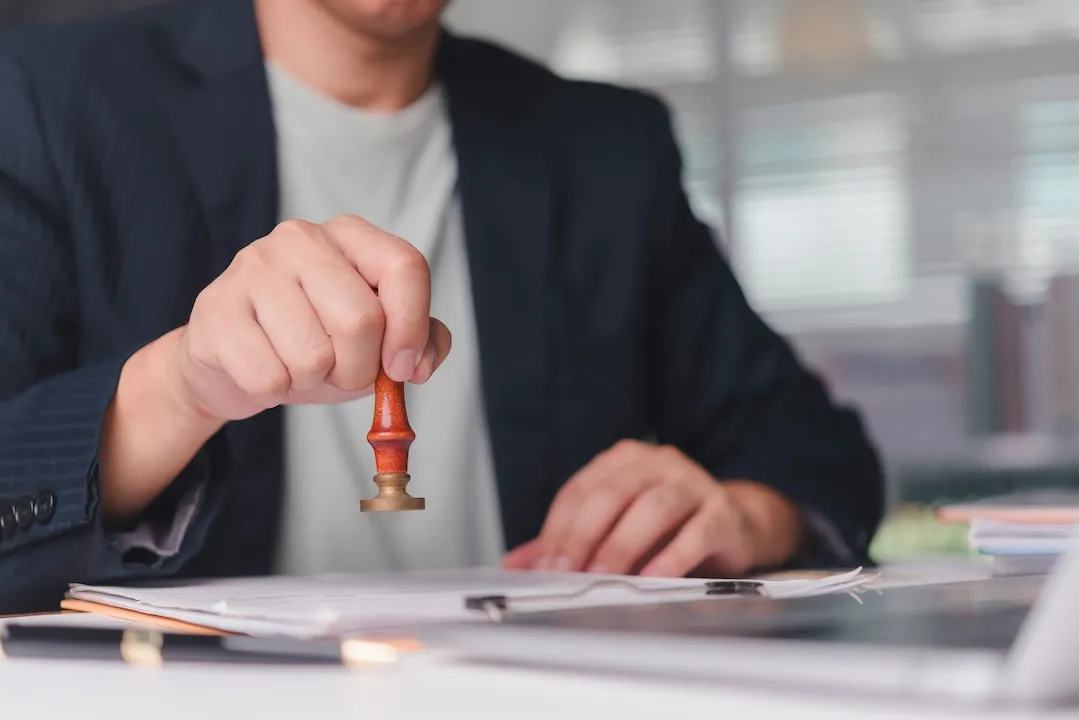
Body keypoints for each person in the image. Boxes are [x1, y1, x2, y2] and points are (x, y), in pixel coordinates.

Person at [0, 0, 884, 613]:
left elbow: (818, 456)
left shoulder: (605, 149)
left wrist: (740, 513)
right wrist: (180, 388)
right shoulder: (47, 101)